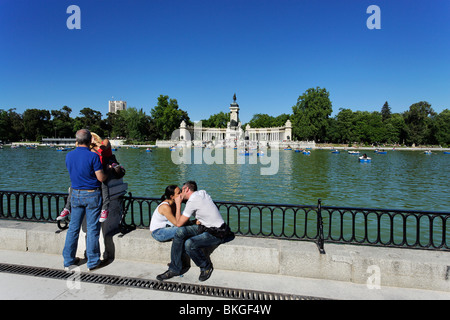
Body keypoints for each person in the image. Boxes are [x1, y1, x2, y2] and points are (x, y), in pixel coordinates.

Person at [157, 181, 233, 282]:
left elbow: (179, 223)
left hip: (217, 233)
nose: (180, 195)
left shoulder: (192, 201)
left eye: (181, 191)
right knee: (179, 232)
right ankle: (175, 268)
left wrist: (178, 204)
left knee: (189, 244)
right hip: (204, 226)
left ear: (186, 189)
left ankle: (206, 266)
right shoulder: (201, 193)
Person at [62, 129, 107, 271]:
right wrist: (108, 172)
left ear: (76, 140)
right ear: (90, 141)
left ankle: (68, 260)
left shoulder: (69, 156)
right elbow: (100, 178)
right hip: (92, 194)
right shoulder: (92, 156)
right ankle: (93, 261)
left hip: (75, 194)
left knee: (73, 229)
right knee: (93, 229)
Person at [57, 133, 125, 223]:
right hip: (99, 171)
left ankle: (105, 209)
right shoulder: (89, 151)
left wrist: (95, 144)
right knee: (76, 181)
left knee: (103, 182)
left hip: (109, 169)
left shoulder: (104, 142)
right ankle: (67, 208)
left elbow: (104, 147)